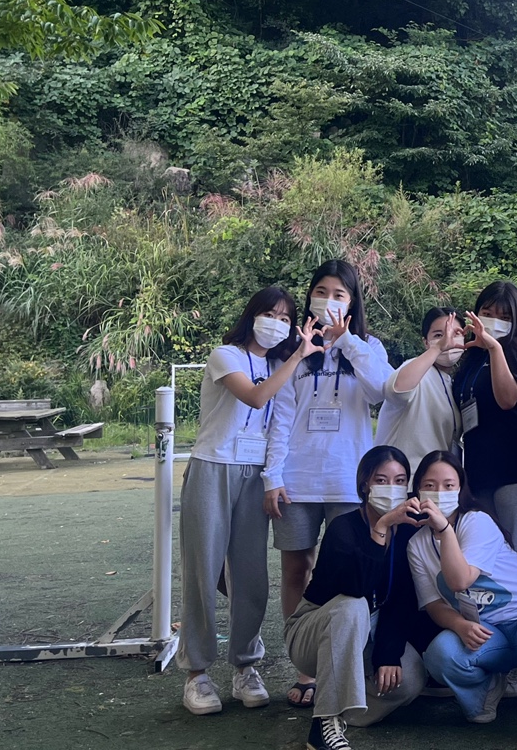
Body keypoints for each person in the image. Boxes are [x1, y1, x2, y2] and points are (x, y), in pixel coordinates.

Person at [179, 287, 318, 716]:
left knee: (251, 573)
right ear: (252, 315)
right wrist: (298, 356)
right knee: (203, 569)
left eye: (285, 318)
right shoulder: (226, 356)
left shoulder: (277, 364)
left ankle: (245, 666)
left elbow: (278, 424)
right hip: (212, 467)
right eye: (269, 314)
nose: (276, 323)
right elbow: (255, 397)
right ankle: (197, 673)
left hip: (254, 475)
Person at [264, 259, 393, 708]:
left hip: (349, 482)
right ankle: (305, 666)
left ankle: (349, 662)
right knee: (296, 569)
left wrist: (347, 341)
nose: (329, 301)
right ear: (310, 297)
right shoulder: (291, 350)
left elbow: (382, 390)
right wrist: (272, 477)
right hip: (296, 481)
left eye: (339, 294)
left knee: (349, 574)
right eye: (321, 292)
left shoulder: (369, 346)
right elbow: (280, 419)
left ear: (352, 302)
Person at [406, 451, 517, 750]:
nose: (439, 492)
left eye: (449, 485)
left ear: (461, 489)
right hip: (489, 635)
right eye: (430, 485)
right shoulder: (416, 545)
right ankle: (489, 687)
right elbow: (434, 604)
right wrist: (460, 625)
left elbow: (460, 580)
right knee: (440, 653)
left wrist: (444, 529)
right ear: (417, 490)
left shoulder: (477, 521)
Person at [284, 446, 436, 749]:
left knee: (409, 680)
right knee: (353, 606)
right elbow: (357, 586)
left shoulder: (407, 532)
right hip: (316, 627)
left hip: (370, 626)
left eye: (399, 480)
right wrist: (381, 527)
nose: (391, 488)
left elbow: (402, 599)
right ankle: (324, 723)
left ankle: (343, 709)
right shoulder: (343, 527)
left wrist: (388, 656)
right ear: (365, 483)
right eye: (381, 480)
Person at [456, 281, 517, 589]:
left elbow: (507, 400)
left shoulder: (514, 352)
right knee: (490, 561)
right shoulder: (470, 358)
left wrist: (495, 347)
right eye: (487, 312)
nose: (494, 321)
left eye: (504, 316)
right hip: (480, 473)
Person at [377, 307, 466, 475]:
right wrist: (437, 349)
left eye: (456, 334)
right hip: (401, 480)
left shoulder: (453, 385)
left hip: (433, 482)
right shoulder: (415, 369)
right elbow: (395, 390)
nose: (447, 340)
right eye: (439, 335)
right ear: (426, 342)